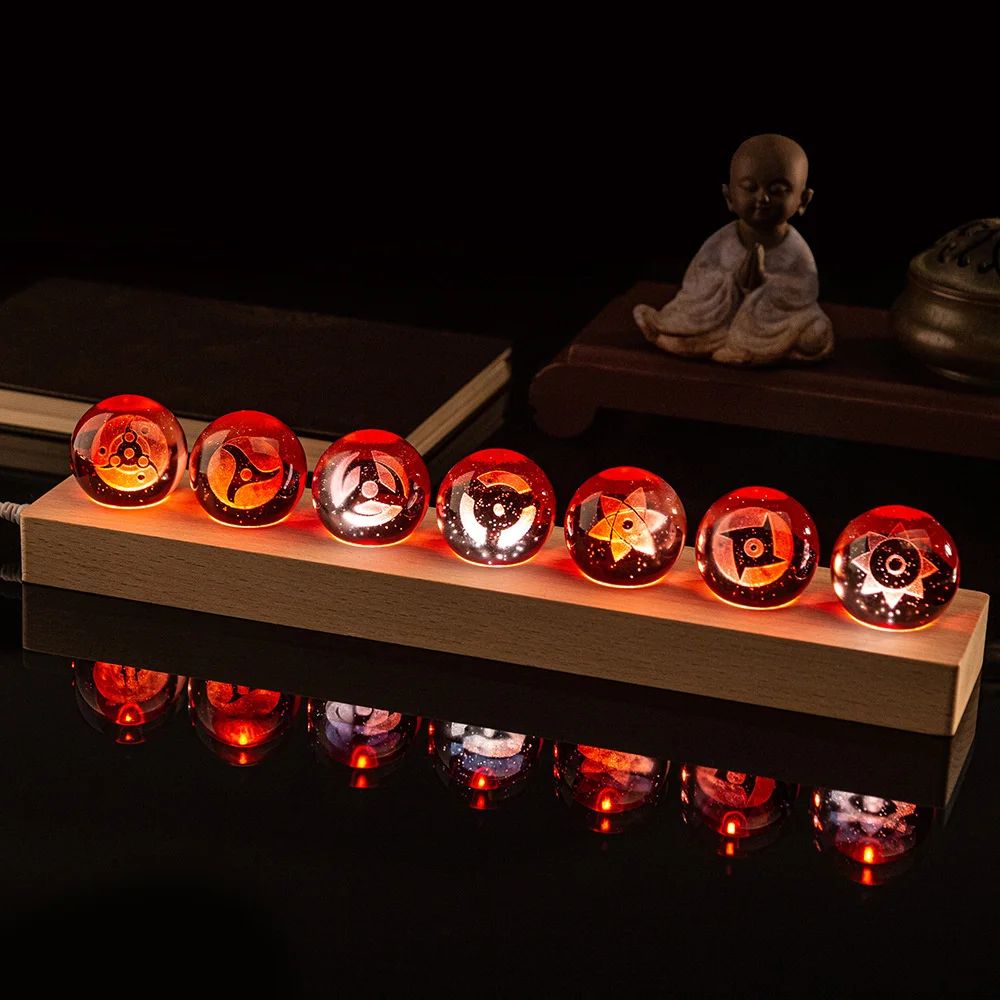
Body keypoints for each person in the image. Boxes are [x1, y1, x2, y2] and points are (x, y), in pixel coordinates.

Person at [633, 134, 833, 365]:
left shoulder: (796, 248)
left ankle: (740, 348)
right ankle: (731, 346)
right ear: (729, 197)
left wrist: (765, 286)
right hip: (719, 319)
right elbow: (696, 282)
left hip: (773, 325)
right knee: (687, 319)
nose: (763, 198)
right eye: (749, 188)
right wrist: (732, 282)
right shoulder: (722, 240)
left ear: (803, 200)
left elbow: (805, 291)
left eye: (778, 190)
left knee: (816, 333)